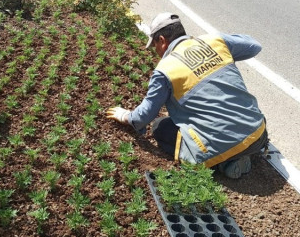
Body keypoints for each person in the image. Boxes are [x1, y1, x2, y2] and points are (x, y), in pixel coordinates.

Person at [106, 12, 268, 179]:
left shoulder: (165, 70)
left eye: (155, 46)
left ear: (162, 40)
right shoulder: (214, 42)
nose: (156, 52)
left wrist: (125, 115)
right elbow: (254, 46)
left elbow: (143, 116)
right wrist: (219, 46)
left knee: (160, 127)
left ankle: (225, 162)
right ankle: (245, 151)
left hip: (221, 147)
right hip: (258, 133)